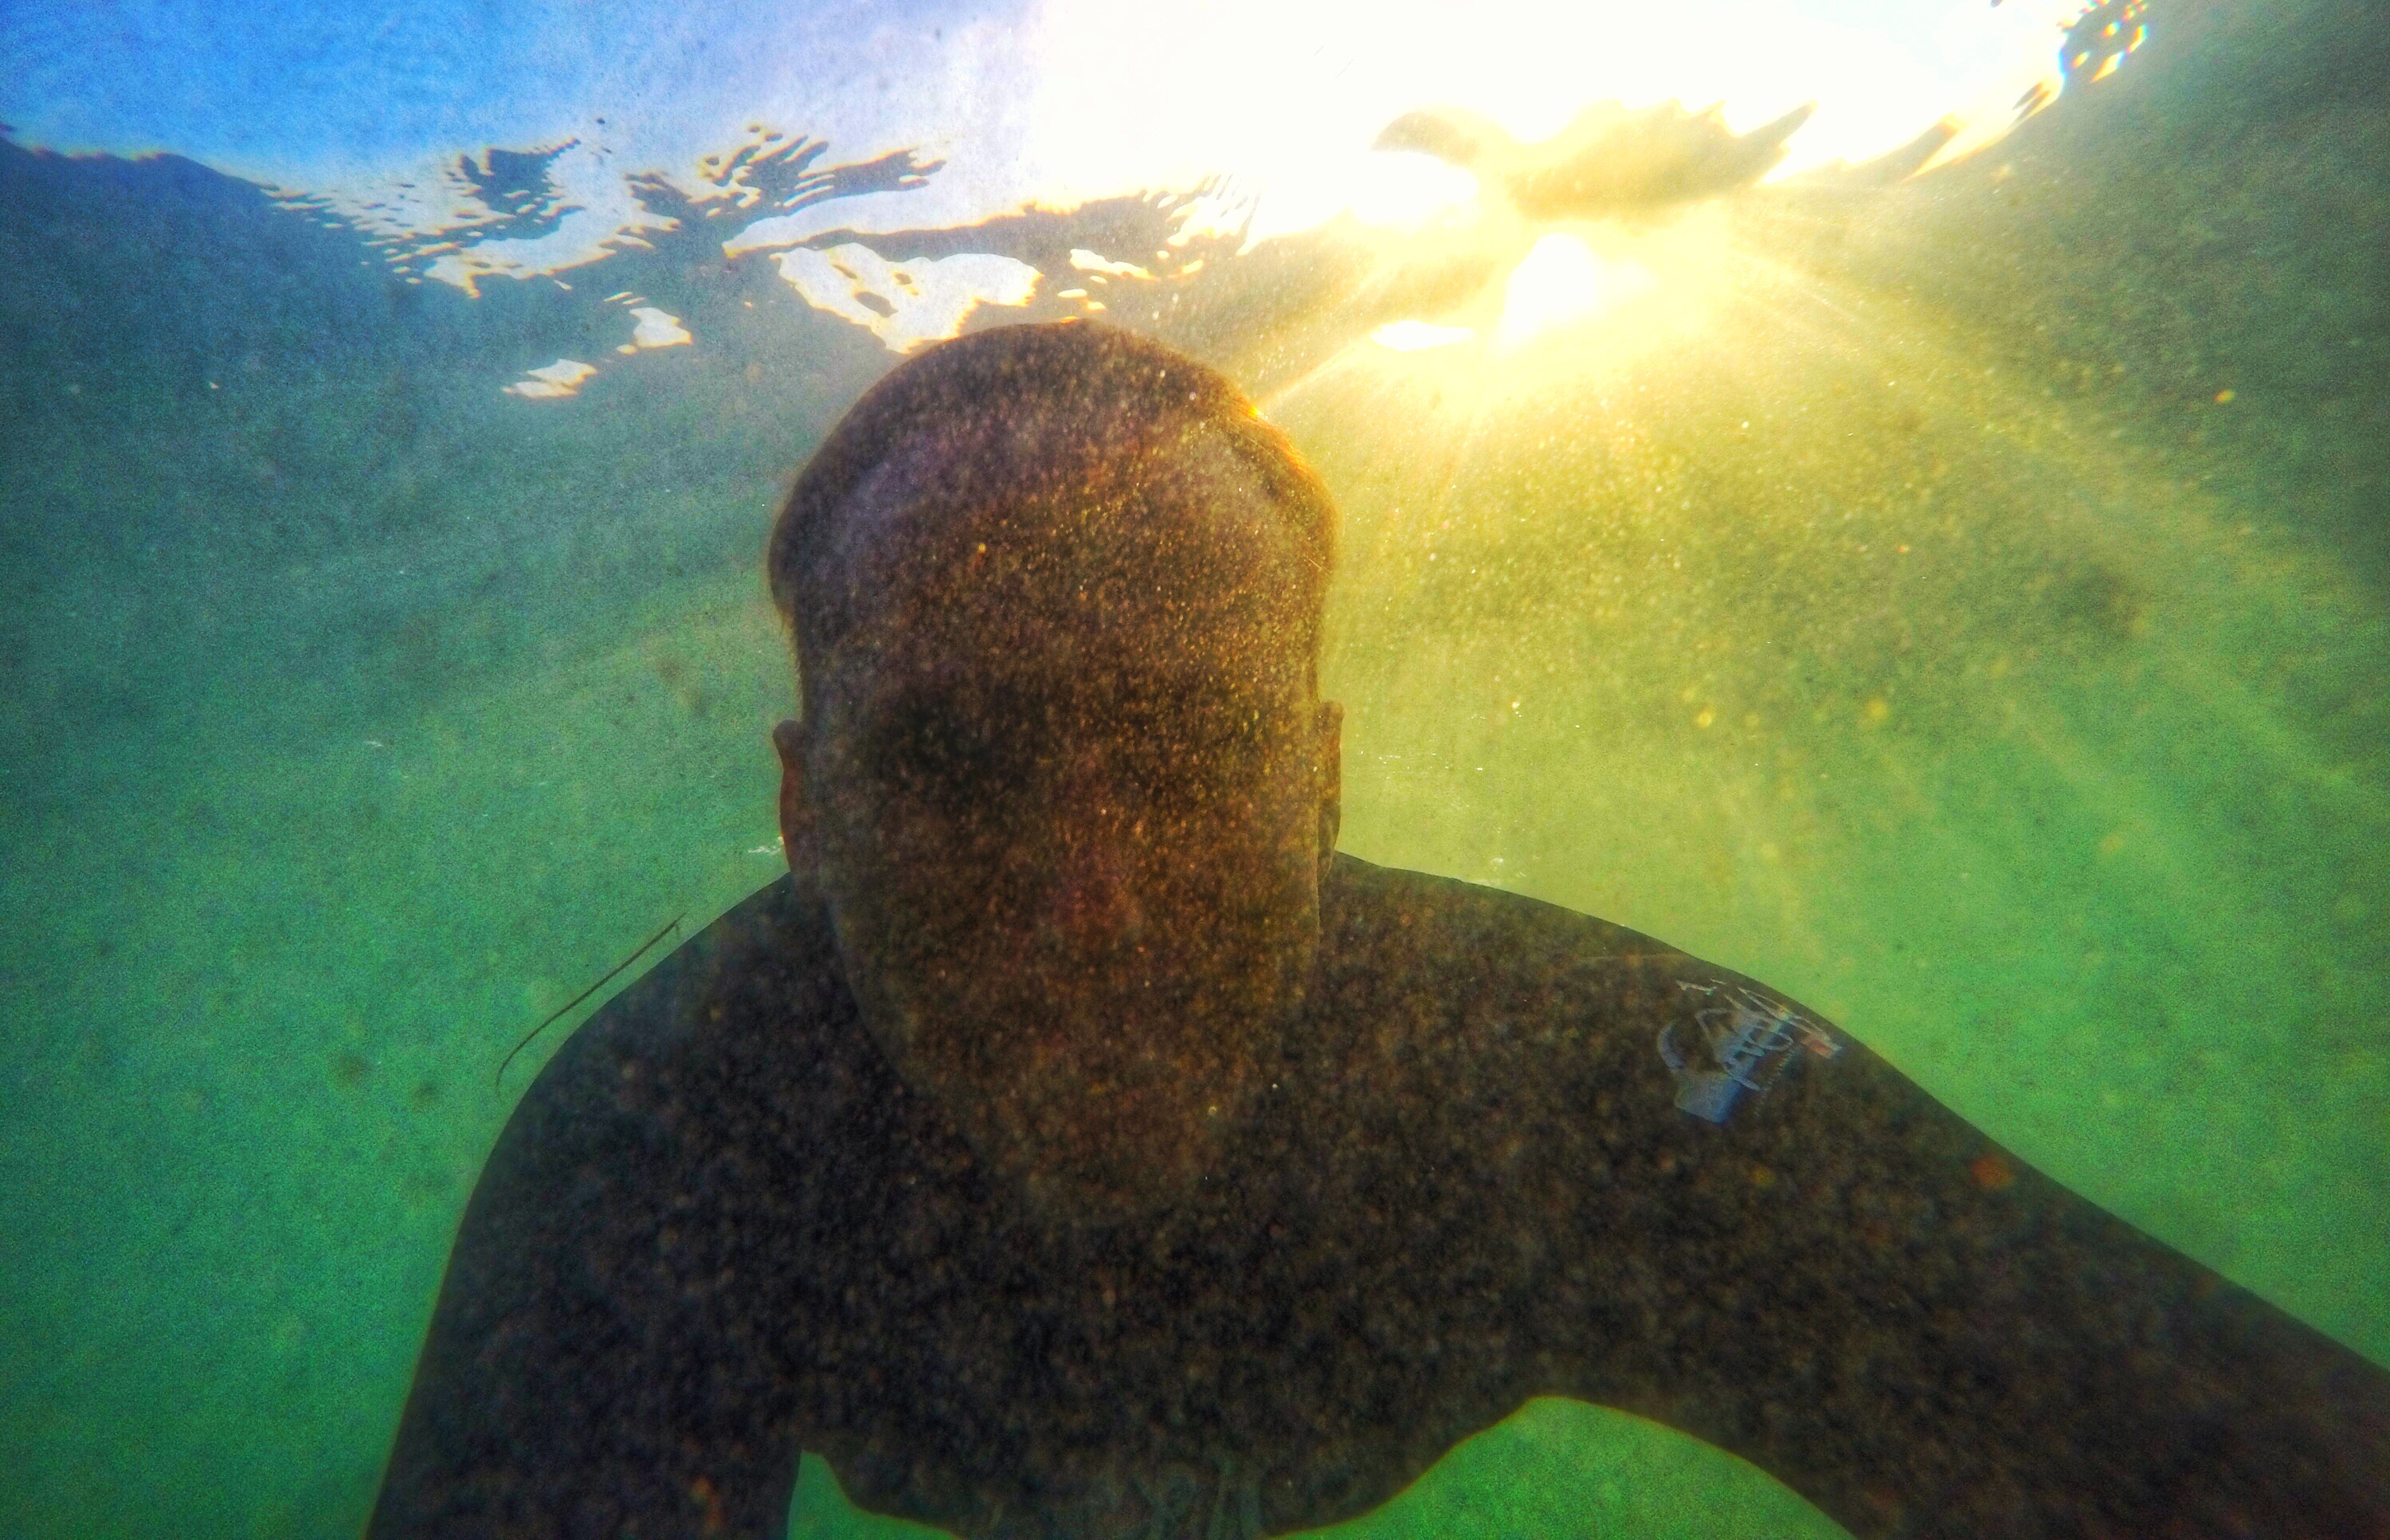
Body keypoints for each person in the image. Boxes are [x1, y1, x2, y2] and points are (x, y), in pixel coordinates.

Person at [370, 320, 2389, 1540]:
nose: (1097, 907)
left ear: (1324, 777)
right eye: (959, 767)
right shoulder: (669, 1140)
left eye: (1191, 752)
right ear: (805, 813)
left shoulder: (1560, 1079)